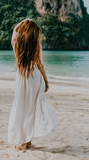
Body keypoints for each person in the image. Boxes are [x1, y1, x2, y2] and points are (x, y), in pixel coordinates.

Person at [8, 18, 59, 151]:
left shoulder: (17, 45)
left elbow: (14, 32)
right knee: (31, 110)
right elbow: (40, 64)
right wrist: (46, 81)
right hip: (35, 79)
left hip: (21, 79)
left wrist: (24, 21)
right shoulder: (37, 46)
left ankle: (23, 141)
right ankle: (27, 140)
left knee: (21, 109)